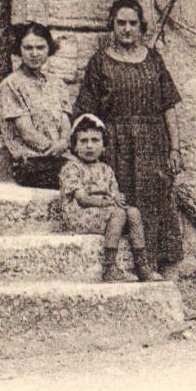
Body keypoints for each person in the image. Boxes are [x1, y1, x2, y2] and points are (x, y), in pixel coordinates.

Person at [73, 0, 184, 275]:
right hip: (116, 146)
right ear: (112, 26)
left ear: (141, 27)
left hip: (151, 144)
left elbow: (168, 106)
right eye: (120, 23)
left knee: (153, 201)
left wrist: (175, 149)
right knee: (121, 203)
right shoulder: (100, 63)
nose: (126, 29)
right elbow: (86, 112)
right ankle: (120, 267)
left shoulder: (153, 60)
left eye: (132, 23)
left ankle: (154, 267)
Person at [58, 113, 160, 282]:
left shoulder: (106, 169)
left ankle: (142, 265)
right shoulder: (71, 168)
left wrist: (118, 199)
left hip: (105, 211)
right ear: (74, 146)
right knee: (118, 214)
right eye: (83, 141)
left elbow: (115, 194)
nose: (90, 146)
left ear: (104, 146)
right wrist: (109, 203)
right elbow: (82, 199)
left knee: (133, 212)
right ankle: (110, 267)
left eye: (95, 140)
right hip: (80, 215)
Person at [0, 22, 71, 187]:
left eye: (40, 47)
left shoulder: (57, 84)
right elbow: (27, 133)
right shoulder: (11, 85)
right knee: (82, 180)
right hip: (32, 162)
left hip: (59, 158)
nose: (34, 54)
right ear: (19, 50)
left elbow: (65, 121)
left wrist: (64, 141)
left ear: (49, 49)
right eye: (28, 48)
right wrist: (55, 149)